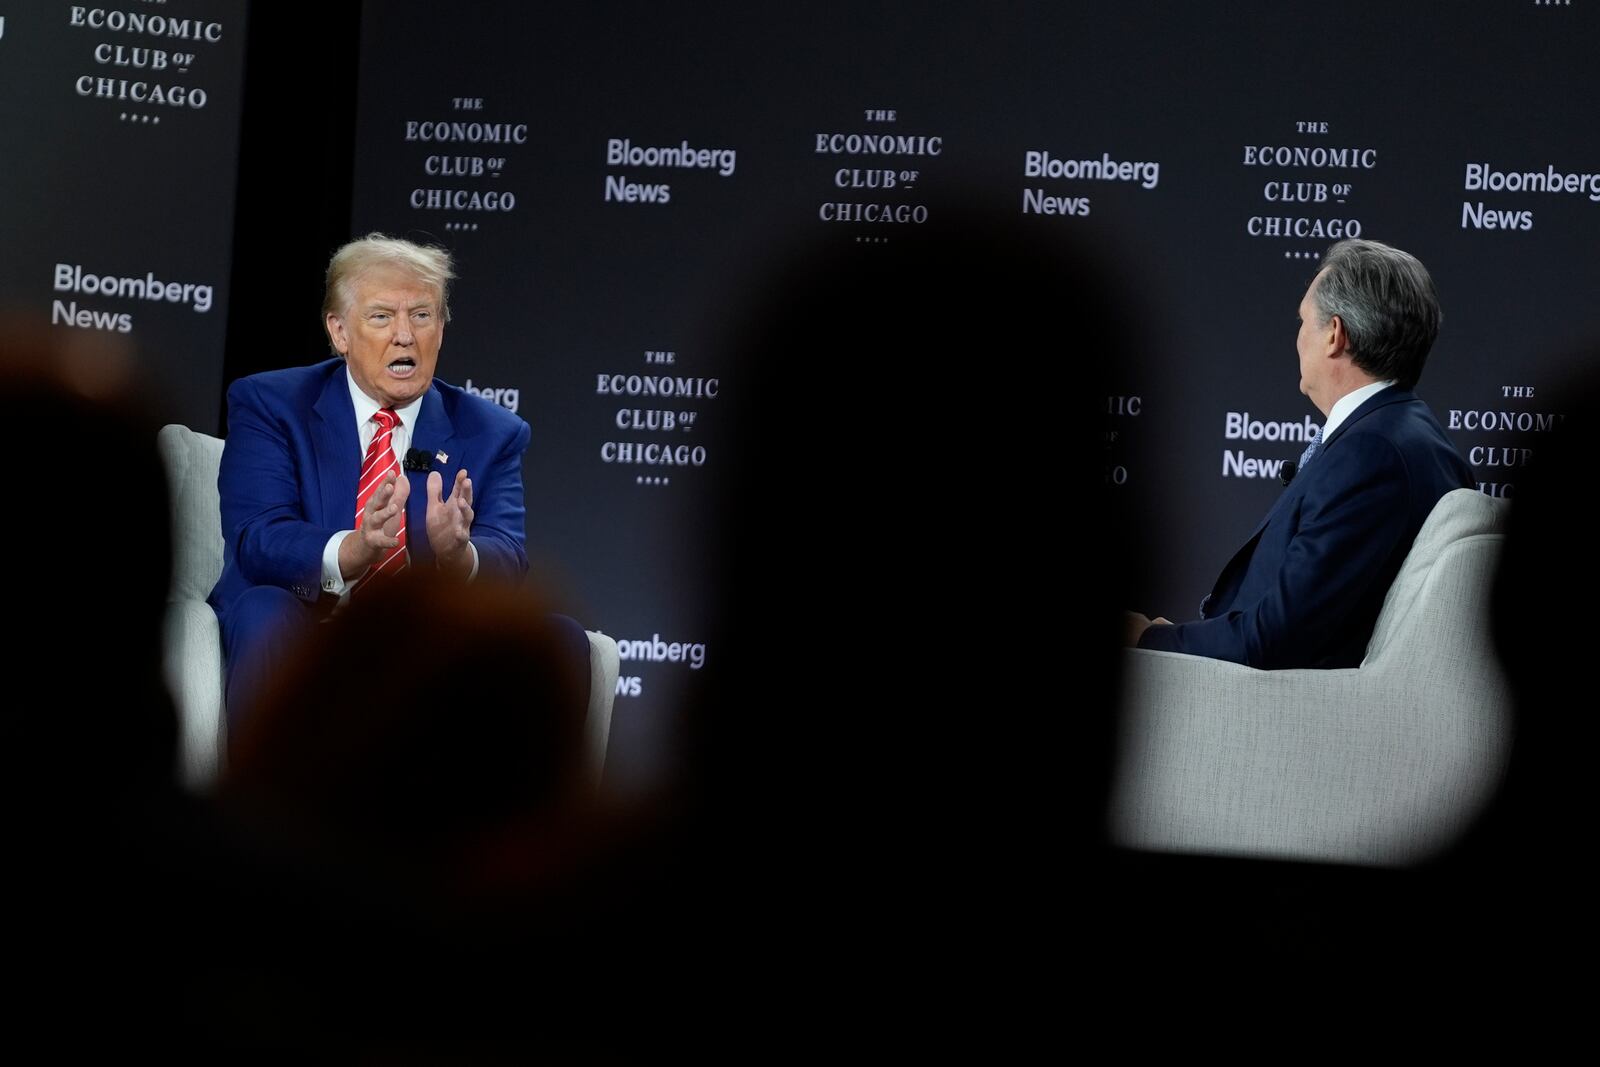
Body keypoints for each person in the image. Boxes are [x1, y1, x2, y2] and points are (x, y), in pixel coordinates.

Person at [210, 233, 545, 722]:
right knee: (262, 609)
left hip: (424, 642)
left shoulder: (492, 433)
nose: (405, 335)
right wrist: (354, 549)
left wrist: (458, 555)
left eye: (422, 316)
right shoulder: (273, 405)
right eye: (382, 316)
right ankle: (267, 799)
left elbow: (509, 557)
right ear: (340, 332)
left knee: (559, 635)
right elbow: (258, 537)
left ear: (442, 330)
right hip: (308, 622)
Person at [1127, 238, 1473, 669]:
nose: (1296, 338)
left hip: (1277, 711)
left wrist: (1150, 639)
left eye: (1303, 322)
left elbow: (1276, 637)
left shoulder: (1372, 454)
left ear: (1334, 335)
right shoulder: (1412, 437)